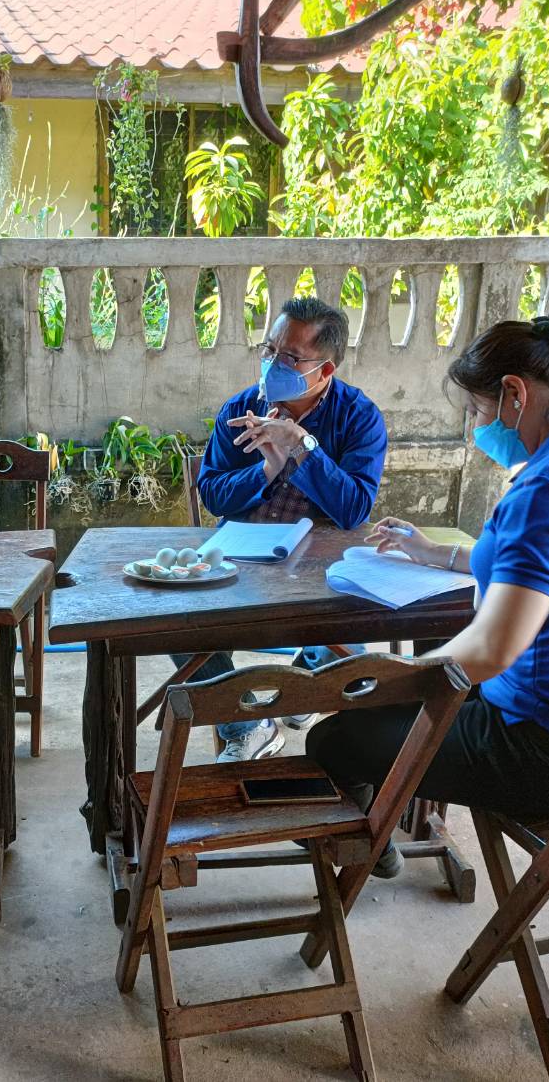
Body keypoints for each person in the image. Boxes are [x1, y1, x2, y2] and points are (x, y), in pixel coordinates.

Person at [307, 316, 549, 878]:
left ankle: (363, 845)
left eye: (477, 410)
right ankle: (387, 819)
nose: (477, 426)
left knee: (335, 737)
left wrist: (387, 678)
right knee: (395, 700)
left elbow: (492, 648)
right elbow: (536, 573)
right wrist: (437, 554)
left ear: (515, 394)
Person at [184, 295, 389, 762]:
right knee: (179, 623)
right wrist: (265, 473)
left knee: (356, 663)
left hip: (321, 565)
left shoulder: (359, 417)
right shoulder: (241, 407)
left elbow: (355, 508)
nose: (274, 364)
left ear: (326, 371)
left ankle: (308, 682)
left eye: (291, 357)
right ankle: (247, 724)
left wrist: (303, 446)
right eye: (270, 350)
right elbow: (212, 492)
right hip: (242, 558)